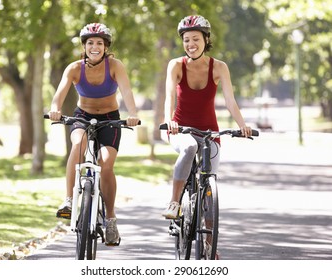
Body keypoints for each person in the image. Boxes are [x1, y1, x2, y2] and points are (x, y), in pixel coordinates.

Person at [48, 23, 140, 246]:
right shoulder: (74, 68)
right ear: (84, 46)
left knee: (105, 163)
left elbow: (126, 91)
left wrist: (133, 114)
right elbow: (59, 94)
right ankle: (69, 201)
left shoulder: (115, 66)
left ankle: (110, 219)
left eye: (99, 43)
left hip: (110, 118)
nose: (95, 46)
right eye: (90, 43)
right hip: (82, 116)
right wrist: (55, 109)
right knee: (78, 145)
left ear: (106, 46)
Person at [162, 15, 252, 219]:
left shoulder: (219, 67)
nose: (191, 44)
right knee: (189, 147)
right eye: (186, 40)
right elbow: (169, 96)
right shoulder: (176, 65)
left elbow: (230, 101)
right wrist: (169, 120)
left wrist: (243, 126)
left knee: (209, 183)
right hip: (181, 129)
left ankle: (209, 243)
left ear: (206, 40)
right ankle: (174, 202)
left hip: (209, 132)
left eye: (195, 39)